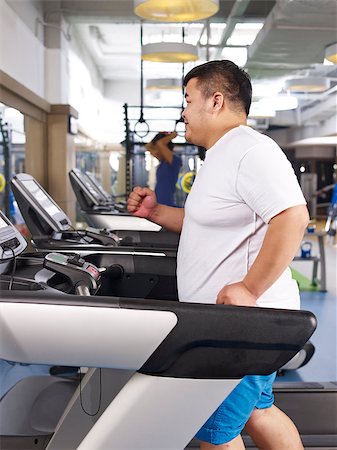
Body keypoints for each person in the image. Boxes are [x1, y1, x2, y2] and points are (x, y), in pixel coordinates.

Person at [128, 60, 308, 450]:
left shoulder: (250, 150)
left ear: (215, 101)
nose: (182, 112)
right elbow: (207, 221)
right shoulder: (221, 155)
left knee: (216, 433)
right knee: (259, 412)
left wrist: (249, 287)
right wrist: (156, 213)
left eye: (187, 100)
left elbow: (293, 218)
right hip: (234, 322)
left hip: (242, 324)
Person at [145, 131, 182, 207]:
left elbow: (160, 143)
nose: (154, 152)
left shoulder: (174, 160)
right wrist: (159, 135)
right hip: (158, 203)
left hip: (167, 204)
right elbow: (148, 147)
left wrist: (172, 136)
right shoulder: (163, 162)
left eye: (157, 149)